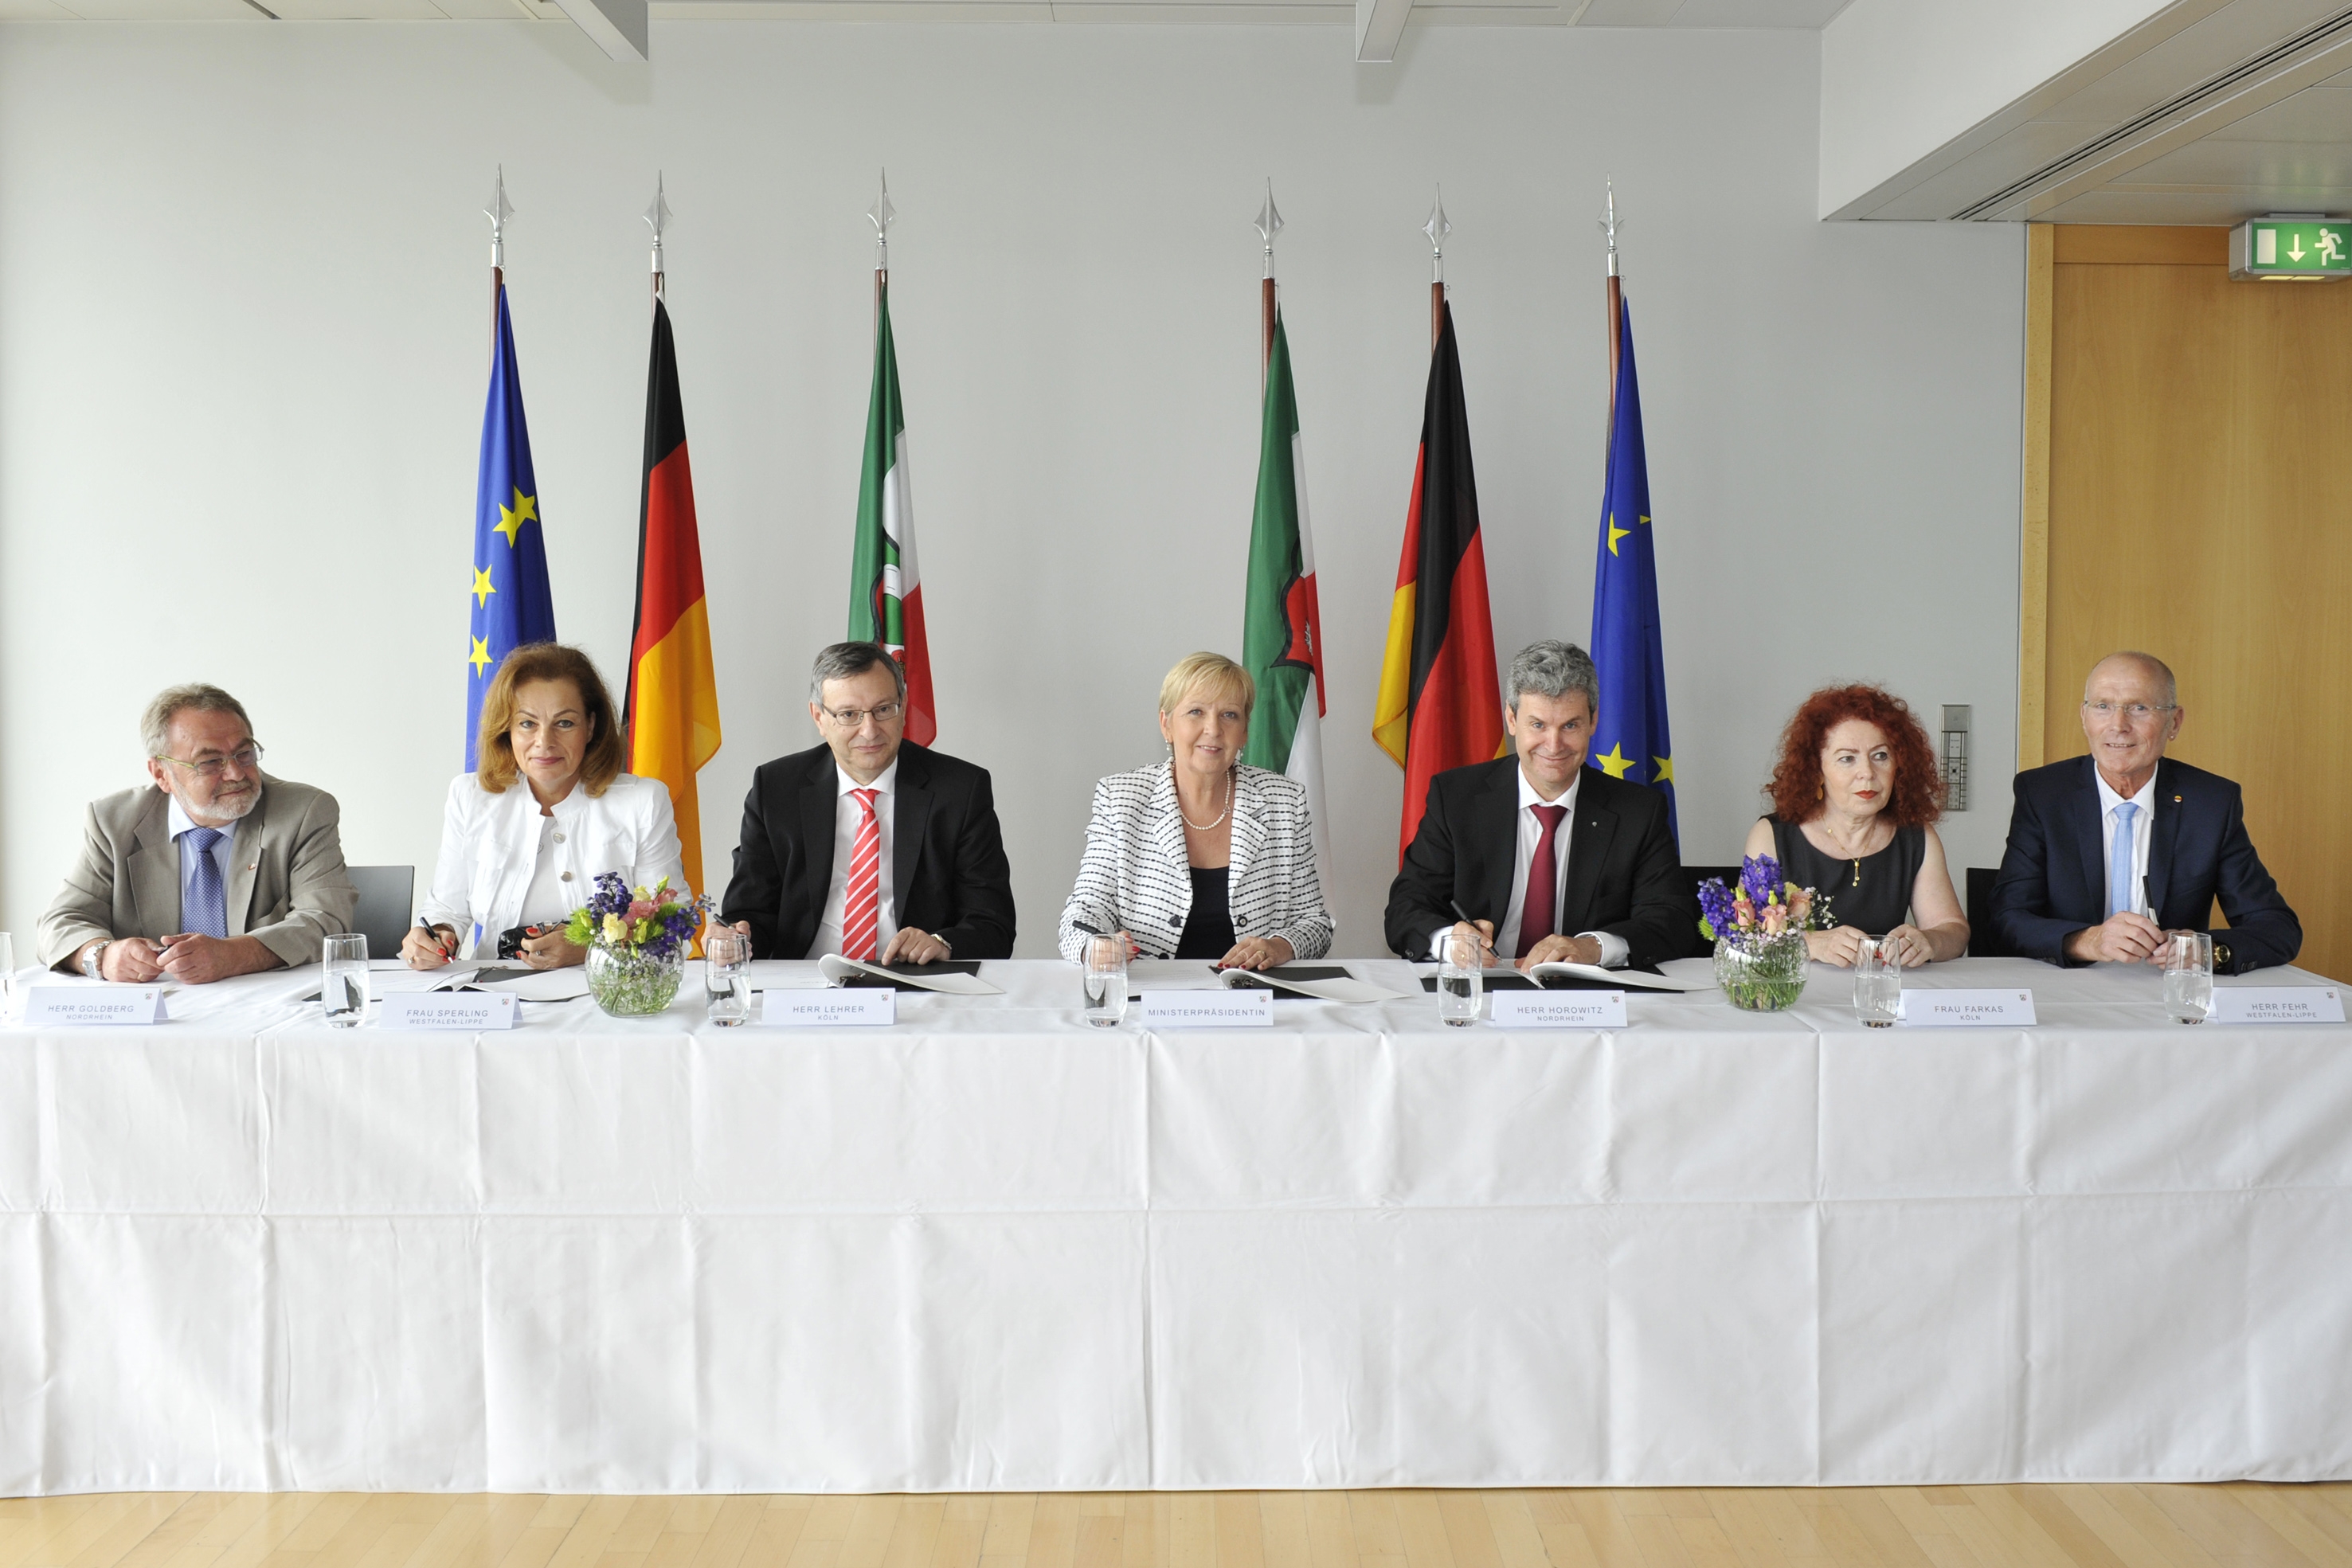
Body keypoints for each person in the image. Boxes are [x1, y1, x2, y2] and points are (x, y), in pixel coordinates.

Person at [1384, 640, 1694, 969]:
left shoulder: (1639, 812)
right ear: (1511, 719)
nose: (1554, 745)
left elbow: (1672, 920)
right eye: (1538, 725)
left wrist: (1594, 947)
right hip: (1481, 986)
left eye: (1570, 725)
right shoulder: (1455, 797)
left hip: (1586, 992)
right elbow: (1406, 907)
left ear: (1593, 721)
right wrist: (1451, 942)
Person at [1986, 651, 2299, 973]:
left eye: (2139, 708)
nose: (2118, 725)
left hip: (2165, 990)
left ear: (2174, 722)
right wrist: (2088, 941)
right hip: (2067, 985)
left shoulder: (2211, 802)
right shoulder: (2043, 794)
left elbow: (2278, 927)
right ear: (2084, 717)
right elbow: (2006, 921)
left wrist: (2207, 950)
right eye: (2103, 706)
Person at [38, 683, 356, 983]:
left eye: (244, 754)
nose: (236, 773)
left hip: (263, 1006)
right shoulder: (113, 822)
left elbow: (325, 920)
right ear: (161, 774)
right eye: (210, 762)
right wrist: (103, 956)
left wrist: (233, 955)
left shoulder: (302, 812)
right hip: (157, 1008)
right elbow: (59, 923)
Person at [722, 641, 1016, 962]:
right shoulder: (776, 788)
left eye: (883, 709)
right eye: (849, 714)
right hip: (804, 979)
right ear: (819, 718)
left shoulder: (960, 790)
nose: (869, 730)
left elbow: (993, 924)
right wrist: (735, 937)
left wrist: (942, 943)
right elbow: (749, 914)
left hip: (912, 978)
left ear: (903, 706)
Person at [404, 643, 682, 971]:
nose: (544, 742)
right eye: (527, 723)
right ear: (507, 728)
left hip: (605, 989)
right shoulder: (470, 796)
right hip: (494, 988)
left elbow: (672, 924)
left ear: (591, 727)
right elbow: (446, 910)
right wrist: (435, 936)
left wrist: (590, 947)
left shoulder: (643, 802)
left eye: (564, 723)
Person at [1058, 652, 1332, 968]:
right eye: (1196, 712)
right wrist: (1096, 947)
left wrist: (1280, 946)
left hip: (1253, 991)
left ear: (1244, 731)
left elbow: (1315, 922)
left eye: (1229, 715)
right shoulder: (1121, 799)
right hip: (1150, 989)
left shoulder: (1283, 801)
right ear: (1167, 724)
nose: (1213, 729)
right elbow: (1083, 913)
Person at [1742, 684, 1968, 968]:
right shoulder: (1773, 835)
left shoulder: (1915, 836)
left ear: (1900, 765)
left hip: (1880, 989)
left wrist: (1930, 941)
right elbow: (1743, 935)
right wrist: (1812, 943)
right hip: (1798, 991)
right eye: (1847, 759)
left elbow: (1953, 930)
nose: (1867, 773)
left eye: (1881, 756)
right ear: (1817, 771)